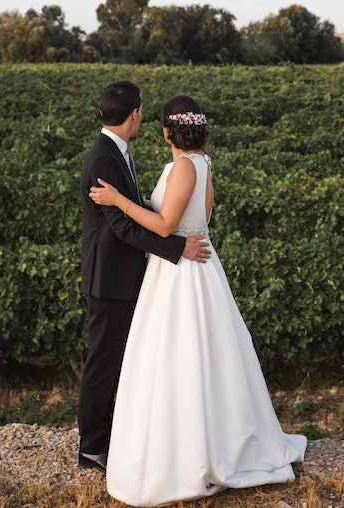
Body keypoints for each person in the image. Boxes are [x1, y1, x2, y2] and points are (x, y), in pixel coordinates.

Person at [89, 94, 306, 506]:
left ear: (169, 129)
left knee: (180, 358)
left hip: (181, 274)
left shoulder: (185, 166)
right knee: (202, 357)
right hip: (190, 263)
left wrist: (118, 201)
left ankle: (190, 453)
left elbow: (167, 223)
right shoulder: (202, 162)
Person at [78, 82, 211, 474]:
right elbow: (120, 226)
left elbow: (139, 210)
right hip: (110, 277)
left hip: (126, 273)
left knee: (126, 358)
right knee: (104, 361)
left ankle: (118, 436)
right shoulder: (104, 157)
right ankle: (92, 447)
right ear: (134, 113)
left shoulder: (117, 151)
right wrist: (176, 248)